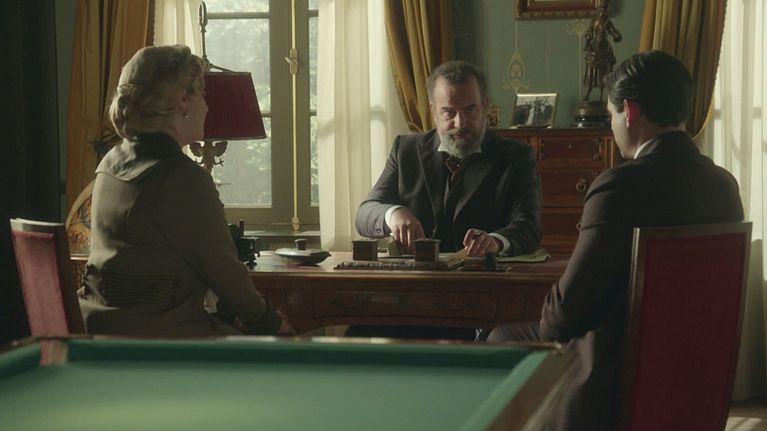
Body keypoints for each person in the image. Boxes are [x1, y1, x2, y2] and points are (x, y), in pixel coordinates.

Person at [487, 50, 744, 431]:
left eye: (610, 116)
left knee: (501, 337)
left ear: (629, 110)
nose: (612, 127)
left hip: (614, 383)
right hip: (693, 376)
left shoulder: (619, 187)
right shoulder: (724, 185)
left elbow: (562, 318)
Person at [78, 45, 293, 337]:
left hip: (101, 330)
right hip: (160, 339)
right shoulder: (181, 178)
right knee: (285, 352)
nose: (207, 106)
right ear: (183, 101)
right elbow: (227, 276)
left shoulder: (110, 162)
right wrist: (273, 323)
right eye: (202, 93)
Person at [352, 60, 542, 339]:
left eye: (470, 110)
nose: (460, 123)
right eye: (449, 112)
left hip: (479, 299)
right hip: (410, 300)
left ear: (486, 106)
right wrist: (393, 214)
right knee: (355, 335)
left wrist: (495, 241)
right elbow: (365, 213)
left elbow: (529, 227)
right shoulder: (405, 150)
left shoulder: (515, 157)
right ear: (433, 111)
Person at [582, 2, 622, 101]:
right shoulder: (594, 20)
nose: (603, 11)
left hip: (604, 51)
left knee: (603, 74)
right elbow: (589, 33)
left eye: (604, 9)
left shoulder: (607, 22)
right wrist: (586, 44)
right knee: (590, 73)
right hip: (593, 49)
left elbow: (614, 33)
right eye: (601, 9)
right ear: (598, 9)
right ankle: (588, 93)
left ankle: (601, 95)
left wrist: (616, 36)